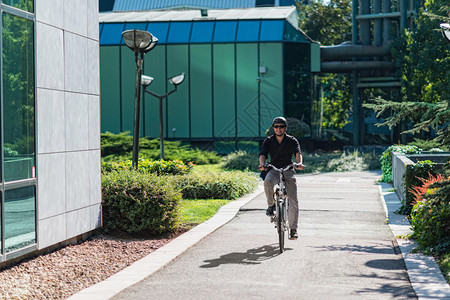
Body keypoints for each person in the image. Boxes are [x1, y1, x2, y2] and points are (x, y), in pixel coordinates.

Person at [258, 116, 304, 240]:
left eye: (281, 126)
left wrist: (299, 163)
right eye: (276, 126)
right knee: (267, 182)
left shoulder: (292, 140)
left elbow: (298, 153)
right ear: (273, 128)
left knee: (293, 199)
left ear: (285, 128)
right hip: (274, 169)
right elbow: (263, 154)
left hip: (288, 169)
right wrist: (262, 164)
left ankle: (293, 229)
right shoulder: (268, 140)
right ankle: (271, 205)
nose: (279, 129)